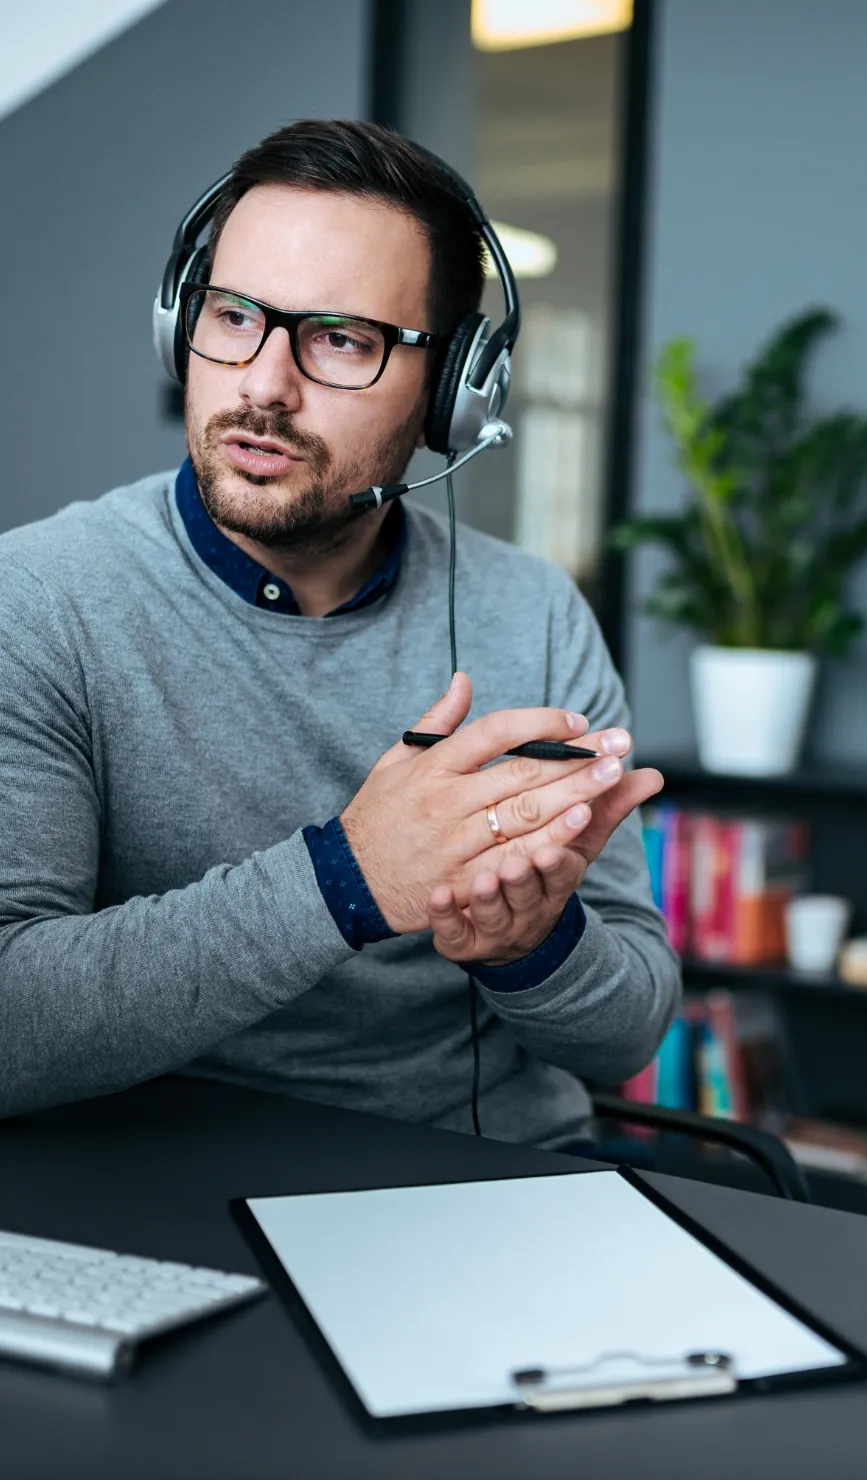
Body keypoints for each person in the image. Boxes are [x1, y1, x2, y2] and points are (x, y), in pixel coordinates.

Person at [0, 119, 679, 1147]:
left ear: (452, 391)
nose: (263, 385)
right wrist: (347, 878)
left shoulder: (531, 615)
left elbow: (626, 1025)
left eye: (340, 340)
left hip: (491, 1184)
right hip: (159, 1191)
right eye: (233, 317)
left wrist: (533, 947)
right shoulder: (37, 601)